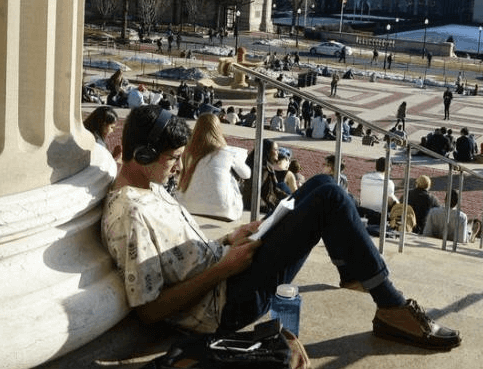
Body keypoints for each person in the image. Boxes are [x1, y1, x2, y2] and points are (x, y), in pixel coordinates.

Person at [100, 105, 460, 349]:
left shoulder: (148, 187)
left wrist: (229, 238)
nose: (177, 168)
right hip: (222, 304)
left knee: (320, 185)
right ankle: (390, 305)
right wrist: (224, 267)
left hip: (226, 271)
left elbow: (178, 253)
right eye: (174, 160)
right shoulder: (130, 215)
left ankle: (358, 274)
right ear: (144, 155)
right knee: (330, 197)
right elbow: (149, 311)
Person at [174, 113, 251, 222]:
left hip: (188, 206)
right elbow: (247, 174)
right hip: (224, 210)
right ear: (217, 129)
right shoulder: (227, 152)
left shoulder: (188, 152)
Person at [359, 157, 399, 227]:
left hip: (362, 212)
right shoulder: (389, 183)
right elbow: (392, 200)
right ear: (388, 168)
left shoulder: (364, 177)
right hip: (378, 216)